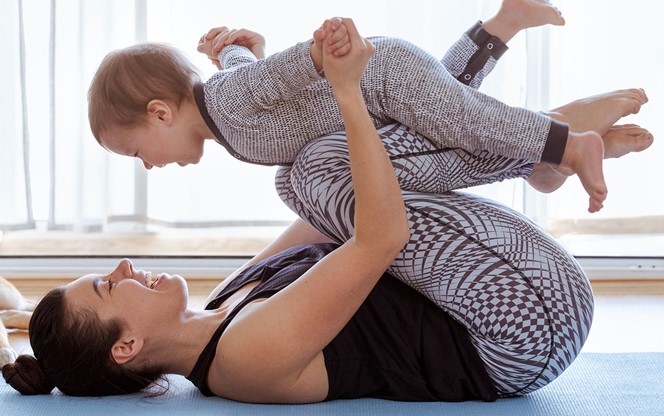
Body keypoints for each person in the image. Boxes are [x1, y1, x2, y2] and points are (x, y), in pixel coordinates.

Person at [5, 17, 647, 401]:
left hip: (494, 286)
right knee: (312, 171)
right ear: (128, 348)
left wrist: (252, 65)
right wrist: (346, 93)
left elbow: (339, 202)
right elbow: (381, 235)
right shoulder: (243, 359)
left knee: (310, 173)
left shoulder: (227, 300)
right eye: (105, 285)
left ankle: (539, 141)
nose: (121, 264)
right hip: (524, 329)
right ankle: (547, 138)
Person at [86, 0, 650, 213]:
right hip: (380, 96)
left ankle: (569, 144)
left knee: (467, 123)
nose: (149, 166)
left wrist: (318, 48)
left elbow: (275, 72)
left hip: (382, 80)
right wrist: (234, 46)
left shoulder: (226, 102)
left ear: (160, 113)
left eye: (138, 152)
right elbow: (249, 71)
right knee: (456, 110)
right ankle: (500, 26)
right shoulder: (225, 103)